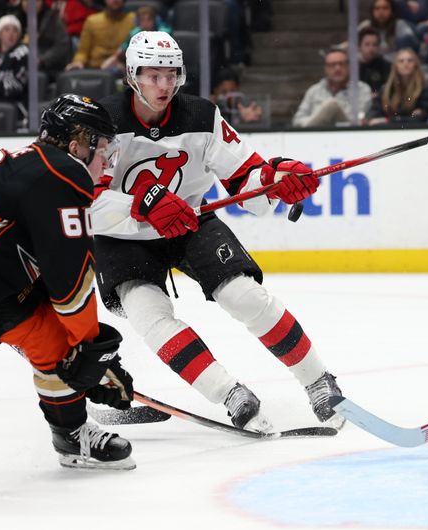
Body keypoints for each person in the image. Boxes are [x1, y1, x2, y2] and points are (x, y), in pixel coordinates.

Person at [92, 31, 344, 433]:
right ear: (133, 75)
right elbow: (87, 200)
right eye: (154, 76)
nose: (164, 86)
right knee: (149, 314)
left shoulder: (201, 116)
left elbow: (246, 176)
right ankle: (230, 394)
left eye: (171, 75)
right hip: (125, 235)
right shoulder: (101, 121)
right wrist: (144, 203)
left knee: (244, 295)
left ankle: (318, 380)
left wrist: (276, 179)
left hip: (190, 221)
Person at [0, 94, 136, 470]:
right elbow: (71, 285)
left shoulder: (39, 168)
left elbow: (50, 280)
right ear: (77, 147)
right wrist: (91, 350)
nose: (107, 164)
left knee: (53, 340)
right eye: (104, 150)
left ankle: (71, 435)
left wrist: (85, 353)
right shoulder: (61, 175)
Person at [292, 47, 372, 128]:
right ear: (325, 69)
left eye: (341, 64)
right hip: (317, 136)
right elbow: (297, 120)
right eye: (332, 65)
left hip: (349, 136)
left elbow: (361, 120)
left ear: (348, 67)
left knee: (332, 106)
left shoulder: (362, 89)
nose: (337, 68)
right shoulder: (313, 91)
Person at [367, 47, 428, 125]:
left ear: (415, 64)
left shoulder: (425, 88)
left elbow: (420, 118)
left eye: (410, 60)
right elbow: (374, 115)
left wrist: (388, 120)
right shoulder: (386, 90)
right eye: (401, 61)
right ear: (395, 66)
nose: (406, 64)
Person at [66, 0, 135, 72]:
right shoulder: (92, 21)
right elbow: (82, 52)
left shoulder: (133, 20)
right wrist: (78, 62)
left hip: (123, 68)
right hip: (95, 69)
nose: (115, 0)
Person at [358, 26, 391, 96]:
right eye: (367, 44)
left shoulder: (387, 66)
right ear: (360, 46)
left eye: (374, 45)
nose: (371, 48)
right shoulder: (353, 68)